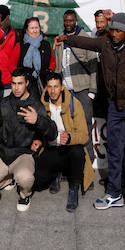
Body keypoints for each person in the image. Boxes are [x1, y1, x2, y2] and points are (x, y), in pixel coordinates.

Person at [56, 11, 125, 218]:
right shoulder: (105, 43)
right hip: (115, 107)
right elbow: (85, 43)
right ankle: (114, 193)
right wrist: (66, 38)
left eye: (117, 31)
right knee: (115, 150)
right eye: (112, 30)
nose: (113, 33)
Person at [0, 67, 57, 212]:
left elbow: (52, 133)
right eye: (13, 83)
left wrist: (38, 120)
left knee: (25, 179)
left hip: (23, 154)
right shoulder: (4, 103)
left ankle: (24, 194)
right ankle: (7, 179)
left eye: (20, 83)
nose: (16, 87)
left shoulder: (36, 105)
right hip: (2, 153)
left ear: (27, 83)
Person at [35, 72, 94, 211]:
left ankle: (73, 188)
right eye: (49, 87)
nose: (53, 90)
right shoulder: (42, 105)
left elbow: (84, 135)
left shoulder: (74, 104)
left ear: (62, 87)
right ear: (46, 88)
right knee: (36, 181)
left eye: (56, 86)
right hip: (51, 148)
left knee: (78, 152)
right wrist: (37, 140)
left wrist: (70, 138)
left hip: (68, 149)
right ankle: (56, 173)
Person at [52, 9, 98, 161]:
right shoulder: (61, 38)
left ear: (76, 21)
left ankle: (88, 166)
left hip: (83, 91)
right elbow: (58, 67)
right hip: (67, 92)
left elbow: (93, 65)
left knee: (84, 128)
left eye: (71, 20)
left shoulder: (85, 38)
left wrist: (92, 92)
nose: (68, 23)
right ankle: (71, 167)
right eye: (66, 20)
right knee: (67, 127)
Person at [18, 17, 55, 93]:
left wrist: (49, 72)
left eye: (36, 27)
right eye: (32, 28)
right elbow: (14, 64)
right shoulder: (20, 45)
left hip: (44, 83)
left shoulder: (46, 44)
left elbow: (52, 62)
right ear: (26, 30)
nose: (35, 30)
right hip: (25, 85)